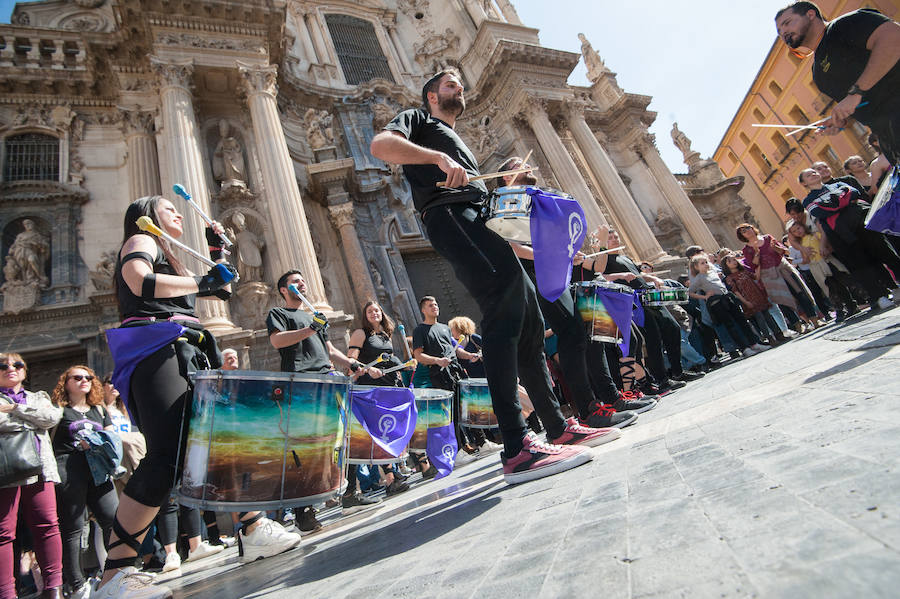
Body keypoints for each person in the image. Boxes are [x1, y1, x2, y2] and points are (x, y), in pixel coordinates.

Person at [371, 68, 613, 485]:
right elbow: (380, 145)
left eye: (461, 85)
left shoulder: (454, 134)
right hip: (450, 214)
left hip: (483, 222)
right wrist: (437, 157)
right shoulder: (418, 121)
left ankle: (557, 426)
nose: (458, 89)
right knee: (502, 311)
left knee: (531, 322)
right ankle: (517, 445)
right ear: (431, 96)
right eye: (450, 85)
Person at [95, 196, 296, 599]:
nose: (176, 213)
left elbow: (218, 293)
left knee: (214, 442)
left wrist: (216, 251)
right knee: (166, 456)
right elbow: (139, 280)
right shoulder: (141, 240)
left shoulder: (169, 254)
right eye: (168, 208)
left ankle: (252, 527)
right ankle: (113, 577)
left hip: (184, 347)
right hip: (157, 349)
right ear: (147, 216)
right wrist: (202, 281)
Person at [498, 158, 649, 422]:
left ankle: (610, 398)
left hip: (554, 273)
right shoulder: (508, 201)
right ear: (504, 179)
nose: (526, 166)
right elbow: (513, 246)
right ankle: (589, 409)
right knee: (572, 336)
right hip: (537, 277)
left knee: (586, 336)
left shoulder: (535, 201)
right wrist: (554, 255)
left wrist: (568, 253)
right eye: (516, 166)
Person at [267, 270, 383, 511]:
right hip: (303, 381)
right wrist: (310, 329)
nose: (301, 284)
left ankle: (349, 493)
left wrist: (354, 364)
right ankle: (303, 509)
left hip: (328, 379)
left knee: (345, 436)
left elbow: (329, 350)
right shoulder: (278, 313)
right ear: (284, 290)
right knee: (308, 443)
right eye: (295, 282)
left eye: (302, 280)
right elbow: (277, 341)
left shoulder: (314, 317)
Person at [774, 3, 900, 163]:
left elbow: (894, 38)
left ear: (810, 14)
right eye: (779, 32)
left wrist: (856, 93)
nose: (783, 32)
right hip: (891, 142)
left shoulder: (845, 24)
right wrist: (841, 120)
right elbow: (859, 103)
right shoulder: (817, 73)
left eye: (787, 23)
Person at [50, 366, 120, 598]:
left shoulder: (98, 410)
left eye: (88, 377)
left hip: (98, 470)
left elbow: (112, 437)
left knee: (113, 519)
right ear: (66, 382)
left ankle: (119, 570)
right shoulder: (58, 411)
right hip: (69, 469)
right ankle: (76, 583)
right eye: (77, 378)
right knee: (73, 527)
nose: (84, 381)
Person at [0, 353, 63, 599]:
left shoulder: (39, 397)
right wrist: (30, 419)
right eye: (3, 365)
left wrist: (16, 408)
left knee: (48, 525)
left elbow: (50, 418)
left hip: (41, 470)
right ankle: (6, 594)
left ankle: (53, 588)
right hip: (5, 472)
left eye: (17, 365)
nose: (10, 368)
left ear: (25, 372)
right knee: (3, 533)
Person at [798, 168, 900, 309]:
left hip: (861, 223)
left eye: (814, 172)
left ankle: (896, 287)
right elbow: (819, 211)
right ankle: (879, 296)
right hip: (841, 235)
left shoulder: (838, 184)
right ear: (804, 183)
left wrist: (835, 203)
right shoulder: (808, 200)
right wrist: (841, 200)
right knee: (861, 264)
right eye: (809, 175)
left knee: (885, 252)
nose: (814, 174)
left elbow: (853, 193)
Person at [346, 300, 410, 496]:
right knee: (380, 431)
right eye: (369, 311)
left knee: (389, 430)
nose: (374, 313)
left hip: (389, 386)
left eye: (377, 310)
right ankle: (390, 478)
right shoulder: (360, 333)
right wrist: (367, 369)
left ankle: (394, 475)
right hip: (371, 388)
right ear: (364, 315)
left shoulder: (384, 335)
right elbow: (351, 360)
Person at [688, 256, 770, 357]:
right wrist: (705, 296)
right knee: (730, 326)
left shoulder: (712, 272)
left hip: (727, 298)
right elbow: (690, 292)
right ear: (696, 267)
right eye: (702, 263)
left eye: (706, 262)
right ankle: (744, 348)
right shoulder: (698, 278)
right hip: (717, 303)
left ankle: (754, 343)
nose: (706, 264)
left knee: (742, 321)